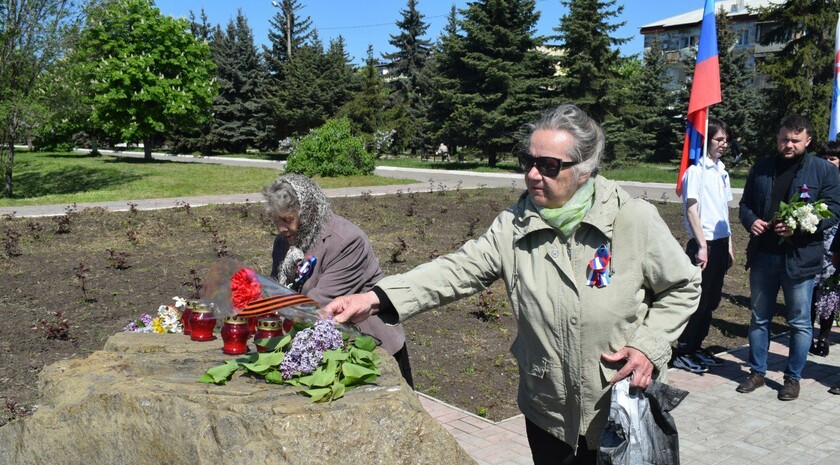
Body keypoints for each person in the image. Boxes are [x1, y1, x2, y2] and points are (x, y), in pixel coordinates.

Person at [323, 104, 700, 464]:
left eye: (549, 165)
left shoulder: (633, 219)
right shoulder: (514, 225)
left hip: (620, 409)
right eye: (528, 162)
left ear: (584, 170)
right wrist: (375, 298)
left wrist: (649, 346)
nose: (534, 174)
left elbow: (683, 286)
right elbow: (457, 269)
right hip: (549, 415)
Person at [263, 174, 414, 388]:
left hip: (367, 348)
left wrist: (269, 304)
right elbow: (278, 285)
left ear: (309, 212)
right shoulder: (284, 241)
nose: (280, 228)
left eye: (287, 220)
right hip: (316, 344)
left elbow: (318, 305)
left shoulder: (347, 241)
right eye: (276, 220)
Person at [736, 115, 840, 401]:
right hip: (763, 256)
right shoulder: (762, 167)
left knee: (799, 322)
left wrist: (800, 225)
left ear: (808, 141)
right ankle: (757, 371)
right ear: (777, 138)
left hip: (800, 258)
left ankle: (792, 378)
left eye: (795, 140)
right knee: (759, 318)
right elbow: (745, 205)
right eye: (784, 139)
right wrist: (751, 220)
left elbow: (833, 210)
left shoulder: (823, 171)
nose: (788, 144)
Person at [671, 118, 735, 373]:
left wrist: (728, 244)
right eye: (719, 139)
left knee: (711, 302)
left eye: (726, 140)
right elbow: (691, 209)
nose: (724, 144)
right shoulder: (695, 171)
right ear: (706, 140)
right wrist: (702, 246)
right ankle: (683, 350)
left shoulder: (721, 170)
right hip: (703, 243)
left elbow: (724, 211)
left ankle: (697, 346)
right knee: (697, 301)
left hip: (719, 242)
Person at [809, 142, 840, 357]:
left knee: (829, 292)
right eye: (825, 158)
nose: (828, 162)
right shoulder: (815, 181)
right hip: (815, 242)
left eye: (833, 159)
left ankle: (824, 337)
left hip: (836, 244)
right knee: (810, 291)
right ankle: (808, 336)